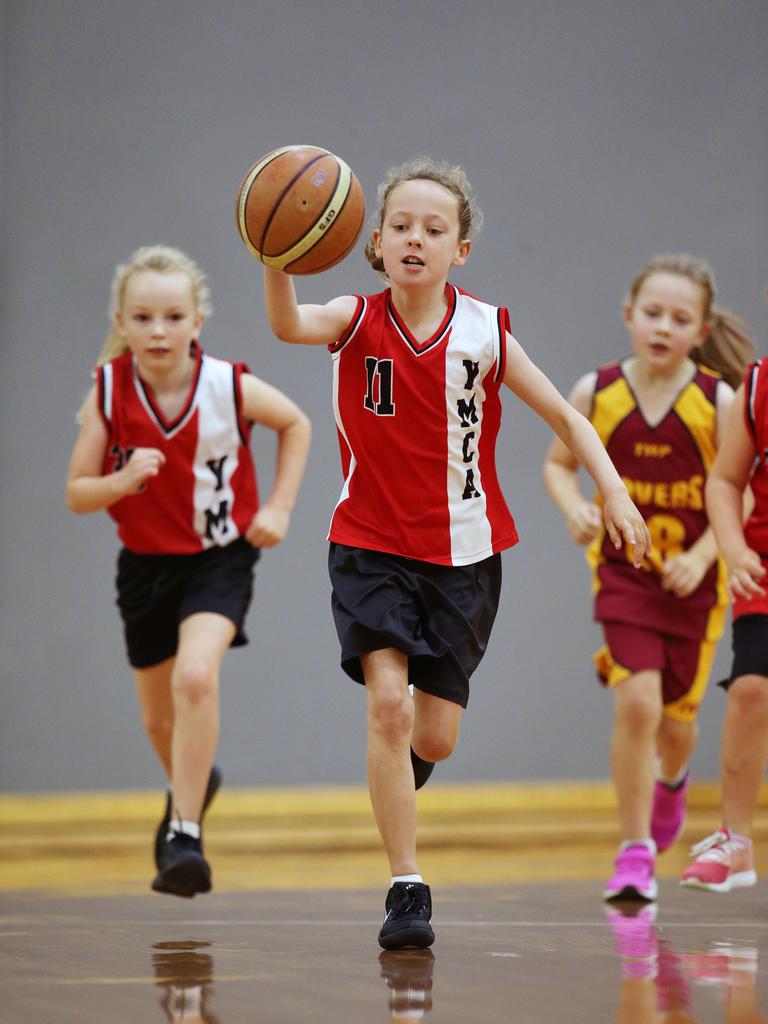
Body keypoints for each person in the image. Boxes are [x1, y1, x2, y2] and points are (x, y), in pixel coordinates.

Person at [259, 157, 650, 949]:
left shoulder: (485, 331)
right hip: (368, 546)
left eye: (434, 230)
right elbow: (286, 325)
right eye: (401, 225)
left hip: (465, 554)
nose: (415, 238)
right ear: (373, 241)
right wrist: (277, 258)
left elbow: (569, 422)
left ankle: (401, 775)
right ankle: (407, 887)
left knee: (432, 737)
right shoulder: (350, 317)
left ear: (459, 250)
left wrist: (611, 488)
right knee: (387, 705)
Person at [66, 245, 311, 898]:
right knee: (158, 720)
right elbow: (77, 492)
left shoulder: (228, 386)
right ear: (123, 320)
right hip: (144, 567)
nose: (158, 331)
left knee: (196, 677)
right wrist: (121, 478)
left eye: (173, 316)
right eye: (143, 318)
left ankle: (184, 832)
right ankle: (194, 780)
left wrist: (280, 507)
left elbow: (297, 423)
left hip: (218, 559)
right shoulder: (110, 389)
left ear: (197, 320)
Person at [543, 254, 755, 903]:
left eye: (680, 318)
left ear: (701, 330)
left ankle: (674, 778)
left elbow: (740, 489)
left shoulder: (718, 400)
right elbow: (557, 464)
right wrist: (576, 506)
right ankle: (634, 851)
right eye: (653, 313)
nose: (663, 326)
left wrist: (707, 553)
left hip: (694, 581)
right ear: (629, 316)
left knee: (675, 722)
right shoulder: (595, 392)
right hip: (625, 572)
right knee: (636, 703)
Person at [681, 353, 768, 893]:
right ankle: (735, 840)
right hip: (761, 566)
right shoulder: (759, 385)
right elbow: (724, 481)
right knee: (750, 689)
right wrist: (733, 551)